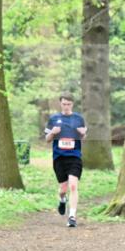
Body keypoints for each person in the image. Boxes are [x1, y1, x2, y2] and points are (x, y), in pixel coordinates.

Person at [45, 93, 87, 228]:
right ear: (60, 104)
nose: (66, 106)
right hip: (59, 157)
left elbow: (83, 137)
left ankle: (72, 216)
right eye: (64, 104)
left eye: (69, 104)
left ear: (72, 104)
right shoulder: (53, 119)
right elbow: (47, 139)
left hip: (74, 156)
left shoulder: (79, 119)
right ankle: (62, 199)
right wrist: (53, 133)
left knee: (73, 186)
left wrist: (83, 134)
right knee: (63, 188)